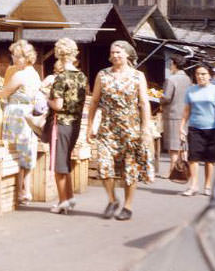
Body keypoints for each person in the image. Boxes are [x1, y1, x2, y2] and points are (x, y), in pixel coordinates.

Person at [87, 40, 153, 221]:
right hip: (107, 127)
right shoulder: (103, 75)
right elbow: (94, 101)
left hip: (131, 128)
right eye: (113, 52)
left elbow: (144, 103)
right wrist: (90, 126)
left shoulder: (138, 76)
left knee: (130, 168)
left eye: (119, 52)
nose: (115, 55)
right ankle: (112, 199)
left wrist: (145, 128)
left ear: (127, 54)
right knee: (103, 165)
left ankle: (128, 206)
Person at [46, 38, 88, 214]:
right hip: (75, 124)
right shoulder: (81, 76)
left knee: (59, 165)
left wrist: (46, 99)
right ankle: (69, 198)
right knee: (66, 162)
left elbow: (58, 105)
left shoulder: (61, 77)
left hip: (61, 124)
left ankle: (63, 201)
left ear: (58, 54)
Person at [0, 39, 42, 205]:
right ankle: (27, 190)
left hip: (16, 115)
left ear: (26, 57)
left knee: (13, 151)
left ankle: (17, 191)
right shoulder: (35, 74)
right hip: (28, 114)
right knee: (27, 151)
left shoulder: (20, 75)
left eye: (17, 56)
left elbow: (3, 93)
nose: (14, 60)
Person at [179, 63, 215, 196]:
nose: (200, 76)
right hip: (195, 128)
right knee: (193, 158)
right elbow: (186, 111)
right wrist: (181, 127)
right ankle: (194, 185)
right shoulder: (190, 90)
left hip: (213, 128)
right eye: (198, 74)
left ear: (209, 75)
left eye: (203, 74)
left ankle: (207, 186)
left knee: (209, 160)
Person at [161, 56, 193, 174]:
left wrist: (160, 98)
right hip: (185, 114)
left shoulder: (171, 79)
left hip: (173, 114)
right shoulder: (188, 79)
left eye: (171, 64)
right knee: (183, 143)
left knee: (173, 145)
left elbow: (167, 97)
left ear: (174, 64)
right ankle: (184, 168)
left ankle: (173, 170)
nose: (170, 66)